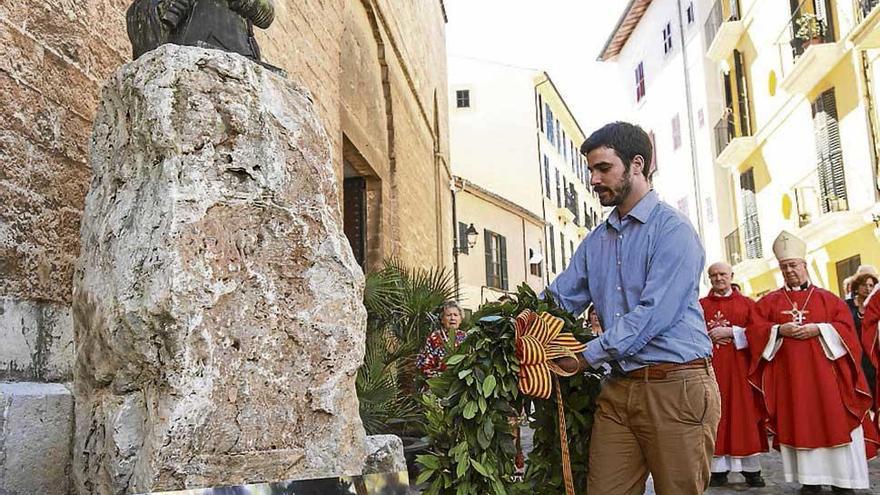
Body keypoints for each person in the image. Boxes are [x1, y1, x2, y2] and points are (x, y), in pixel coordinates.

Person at [546, 122, 719, 495]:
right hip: (618, 389)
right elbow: (560, 299)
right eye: (590, 170)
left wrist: (586, 356)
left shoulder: (674, 230)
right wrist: (515, 324)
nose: (593, 179)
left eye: (603, 168)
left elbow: (652, 315)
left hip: (677, 387)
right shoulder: (594, 242)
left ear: (636, 164)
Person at [748, 231, 878, 494]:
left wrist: (820, 329)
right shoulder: (769, 302)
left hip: (830, 381)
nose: (789, 270)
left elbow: (848, 332)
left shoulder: (828, 299)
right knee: (801, 424)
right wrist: (777, 331)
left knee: (837, 423)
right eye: (784, 267)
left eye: (793, 265)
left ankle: (844, 482)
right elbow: (754, 329)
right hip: (791, 382)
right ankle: (810, 481)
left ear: (804, 265)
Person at [700, 262, 767, 488]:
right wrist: (710, 337)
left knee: (743, 415)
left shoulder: (748, 304)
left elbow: (761, 332)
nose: (719, 278)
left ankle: (751, 469)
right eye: (714, 275)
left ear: (731, 276)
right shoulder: (699, 306)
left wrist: (732, 332)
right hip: (711, 369)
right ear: (709, 279)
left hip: (741, 371)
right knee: (714, 415)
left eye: (722, 274)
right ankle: (717, 470)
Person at [415, 301, 467, 378]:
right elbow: (425, 366)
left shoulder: (466, 337)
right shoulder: (434, 337)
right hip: (439, 383)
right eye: (449, 315)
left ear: (460, 319)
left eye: (455, 315)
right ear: (442, 319)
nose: (452, 318)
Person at [849, 272, 879, 396]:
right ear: (856, 287)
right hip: (855, 351)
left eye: (871, 286)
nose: (868, 288)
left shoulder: (875, 306)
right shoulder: (847, 305)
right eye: (864, 285)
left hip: (872, 350)